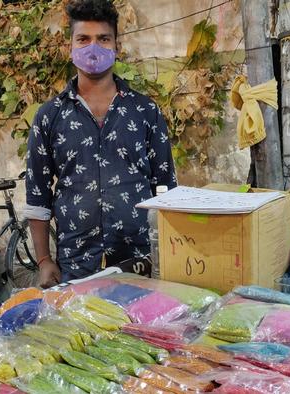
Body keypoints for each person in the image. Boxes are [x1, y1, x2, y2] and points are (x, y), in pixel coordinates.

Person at [24, 0, 176, 288]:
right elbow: (37, 197)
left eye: (103, 39)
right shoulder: (50, 116)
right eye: (83, 39)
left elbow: (167, 189)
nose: (93, 47)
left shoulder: (145, 111)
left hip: (141, 263)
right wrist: (44, 261)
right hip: (76, 266)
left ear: (116, 46)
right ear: (71, 47)